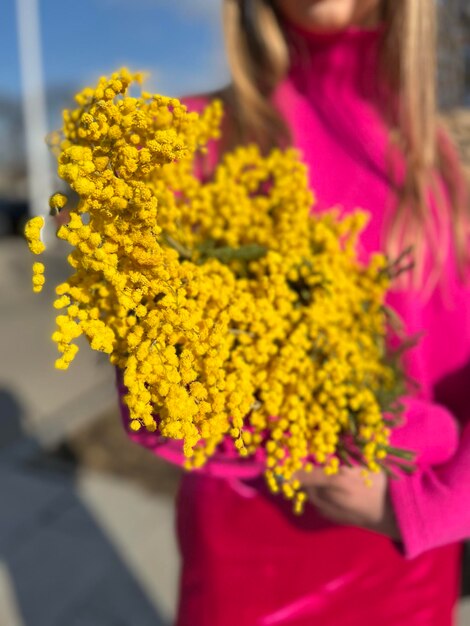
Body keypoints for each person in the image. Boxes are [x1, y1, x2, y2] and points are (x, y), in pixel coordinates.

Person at [117, 1, 470, 624]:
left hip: (409, 575)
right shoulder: (185, 140)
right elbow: (154, 398)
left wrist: (437, 504)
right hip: (246, 575)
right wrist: (318, 443)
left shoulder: (446, 166)